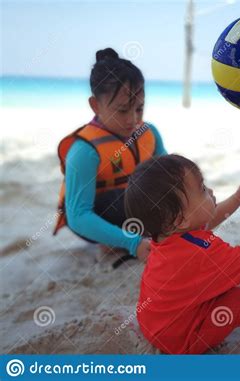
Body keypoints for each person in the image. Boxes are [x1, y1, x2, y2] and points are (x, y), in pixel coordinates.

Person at [124, 154, 240, 354]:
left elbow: (208, 218)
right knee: (239, 300)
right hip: (180, 341)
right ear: (180, 220)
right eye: (202, 189)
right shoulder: (199, 253)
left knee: (219, 288)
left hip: (155, 324)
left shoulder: (167, 237)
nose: (211, 191)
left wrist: (238, 197)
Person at [53, 48, 167, 262]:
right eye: (122, 110)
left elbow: (170, 178)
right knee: (121, 201)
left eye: (139, 109)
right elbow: (78, 216)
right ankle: (114, 242)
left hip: (133, 207)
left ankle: (131, 238)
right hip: (96, 213)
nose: (132, 120)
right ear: (95, 105)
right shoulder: (85, 150)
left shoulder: (149, 133)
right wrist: (132, 242)